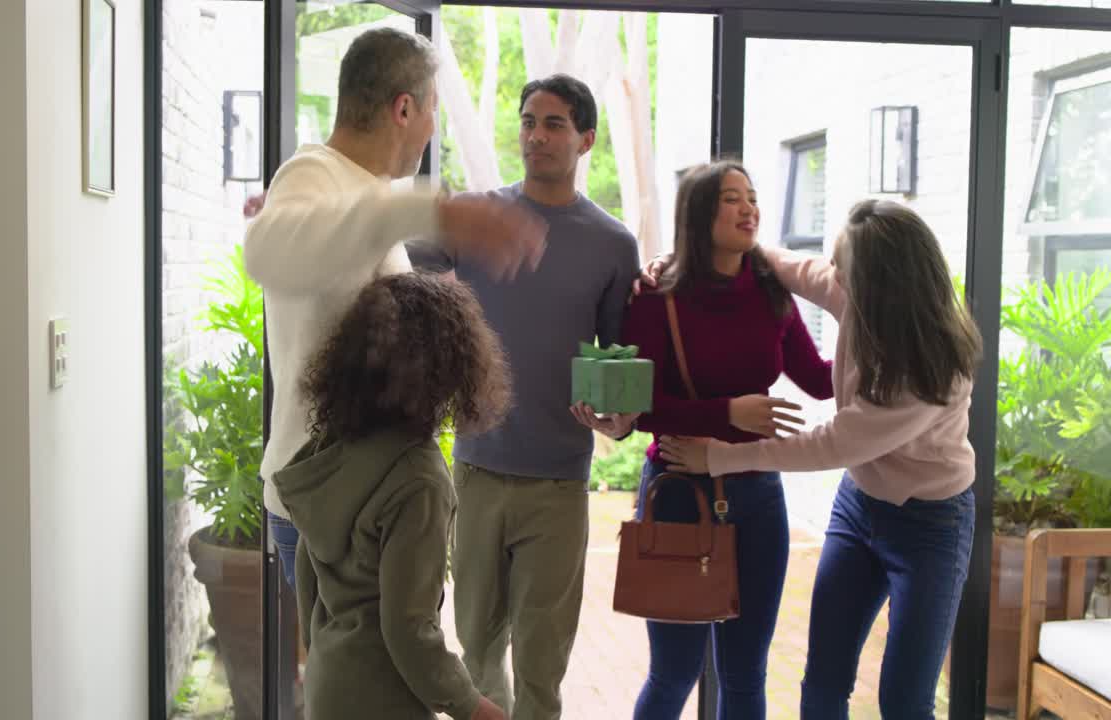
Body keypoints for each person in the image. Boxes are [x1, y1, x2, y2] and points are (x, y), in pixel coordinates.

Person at [243, 27, 547, 587]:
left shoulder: (355, 190)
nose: (433, 128)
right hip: (326, 504)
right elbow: (264, 251)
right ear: (404, 109)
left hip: (357, 501)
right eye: (433, 110)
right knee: (358, 654)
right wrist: (434, 212)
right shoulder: (312, 174)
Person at [658, 199, 982, 720]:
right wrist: (690, 257)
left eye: (843, 268)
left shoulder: (932, 372)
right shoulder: (855, 295)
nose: (834, 276)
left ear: (881, 283)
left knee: (904, 700)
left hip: (931, 525)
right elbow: (791, 266)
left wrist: (718, 456)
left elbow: (830, 444)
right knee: (824, 684)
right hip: (860, 507)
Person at [409, 74, 641, 720]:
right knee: (478, 654)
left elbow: (619, 363)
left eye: (554, 124)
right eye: (528, 121)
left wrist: (620, 422)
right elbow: (395, 265)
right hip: (477, 470)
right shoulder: (478, 217)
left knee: (542, 666)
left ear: (586, 139)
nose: (536, 136)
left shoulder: (613, 244)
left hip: (559, 484)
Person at [604, 161, 833, 720]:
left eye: (752, 197)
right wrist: (728, 412)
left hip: (758, 496)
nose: (749, 208)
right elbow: (641, 406)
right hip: (679, 494)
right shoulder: (656, 297)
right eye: (733, 198)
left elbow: (821, 380)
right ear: (700, 212)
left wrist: (884, 333)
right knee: (674, 672)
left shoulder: (771, 291)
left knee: (746, 674)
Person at [272, 273, 511, 720]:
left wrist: (325, 647)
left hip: (328, 683)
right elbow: (408, 627)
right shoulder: (418, 478)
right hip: (384, 697)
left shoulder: (334, 445)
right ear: (450, 368)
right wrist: (472, 706)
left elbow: (306, 566)